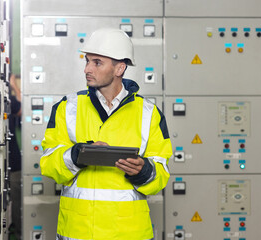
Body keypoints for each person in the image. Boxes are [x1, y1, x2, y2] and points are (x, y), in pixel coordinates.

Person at [40, 28, 172, 240]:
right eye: (87, 61)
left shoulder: (149, 113)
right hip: (79, 232)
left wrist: (144, 170)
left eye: (97, 62)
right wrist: (76, 155)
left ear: (120, 68)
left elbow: (161, 173)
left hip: (130, 234)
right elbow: (48, 163)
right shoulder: (67, 107)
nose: (87, 69)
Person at [8, 74, 22, 239]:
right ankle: (17, 232)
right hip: (13, 164)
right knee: (16, 204)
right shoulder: (10, 100)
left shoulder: (9, 101)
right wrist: (14, 86)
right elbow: (22, 108)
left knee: (15, 203)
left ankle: (17, 232)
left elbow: (20, 108)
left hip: (13, 164)